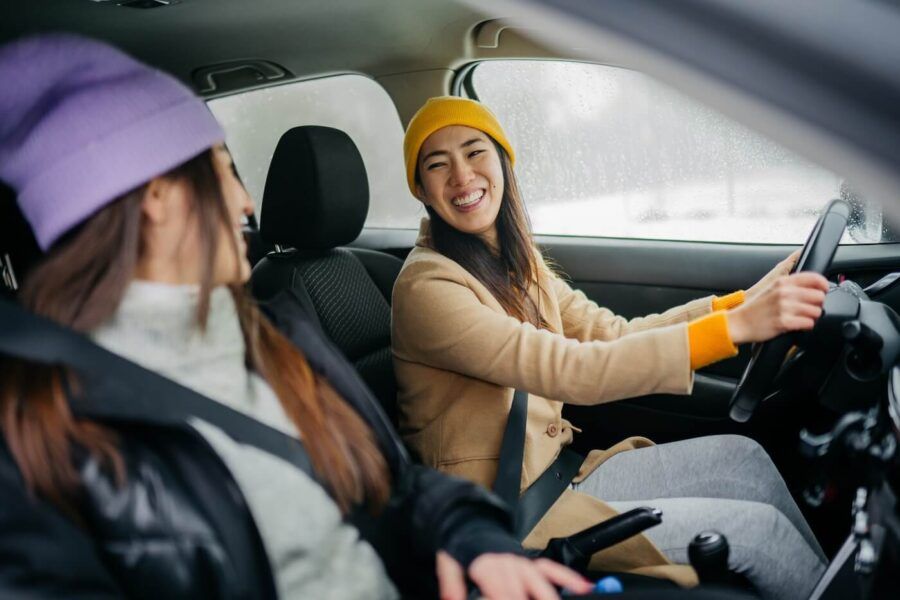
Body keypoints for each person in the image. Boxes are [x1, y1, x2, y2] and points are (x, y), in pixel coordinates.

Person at [0, 36, 594, 600]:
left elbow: (396, 484)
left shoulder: (275, 331)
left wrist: (473, 537)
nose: (246, 202)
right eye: (222, 171)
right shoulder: (38, 433)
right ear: (157, 196)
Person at [391, 96, 830, 600]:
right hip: (506, 516)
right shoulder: (427, 287)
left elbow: (613, 333)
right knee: (757, 531)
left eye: (474, 152)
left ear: (503, 162)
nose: (462, 176)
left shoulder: (516, 261)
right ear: (422, 189)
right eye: (437, 164)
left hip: (560, 477)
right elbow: (571, 370)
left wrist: (741, 304)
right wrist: (737, 328)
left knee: (743, 459)